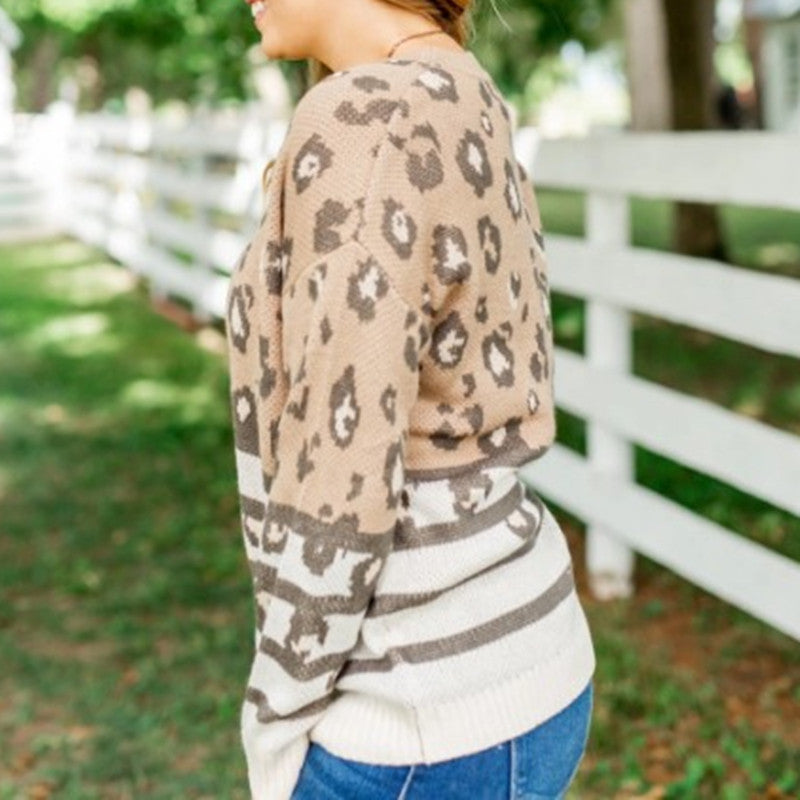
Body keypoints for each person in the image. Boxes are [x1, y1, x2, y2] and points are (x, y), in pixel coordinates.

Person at [224, 1, 597, 798]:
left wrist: (278, 714)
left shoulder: (359, 119)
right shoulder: (464, 84)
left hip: (414, 717)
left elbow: (343, 466)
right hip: (536, 668)